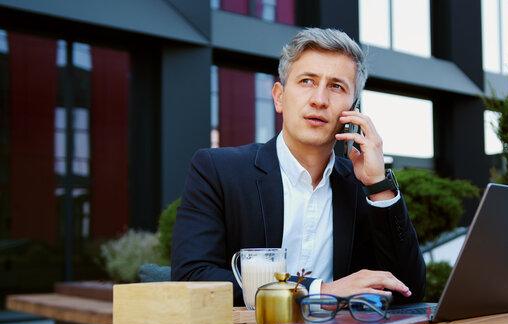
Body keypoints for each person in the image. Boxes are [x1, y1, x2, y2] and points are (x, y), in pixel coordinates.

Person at [171, 28, 425, 305]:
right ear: (279, 96)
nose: (319, 99)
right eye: (307, 81)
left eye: (336, 86)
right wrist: (318, 291)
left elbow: (408, 291)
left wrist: (379, 186)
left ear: (353, 109)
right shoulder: (217, 171)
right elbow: (191, 277)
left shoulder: (361, 187)